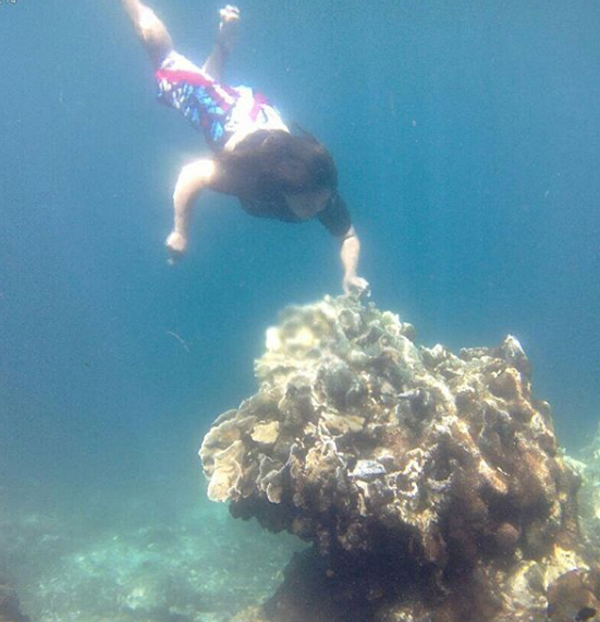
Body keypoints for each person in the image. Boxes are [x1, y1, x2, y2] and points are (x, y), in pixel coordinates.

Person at [121, 1, 369, 295]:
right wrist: (180, 232)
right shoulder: (249, 176)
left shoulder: (319, 188)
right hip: (227, 117)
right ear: (285, 186)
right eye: (310, 203)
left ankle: (223, 46)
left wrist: (350, 274)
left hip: (258, 114)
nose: (317, 209)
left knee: (206, 85)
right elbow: (192, 174)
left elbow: (348, 236)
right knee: (164, 60)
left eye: (321, 201)